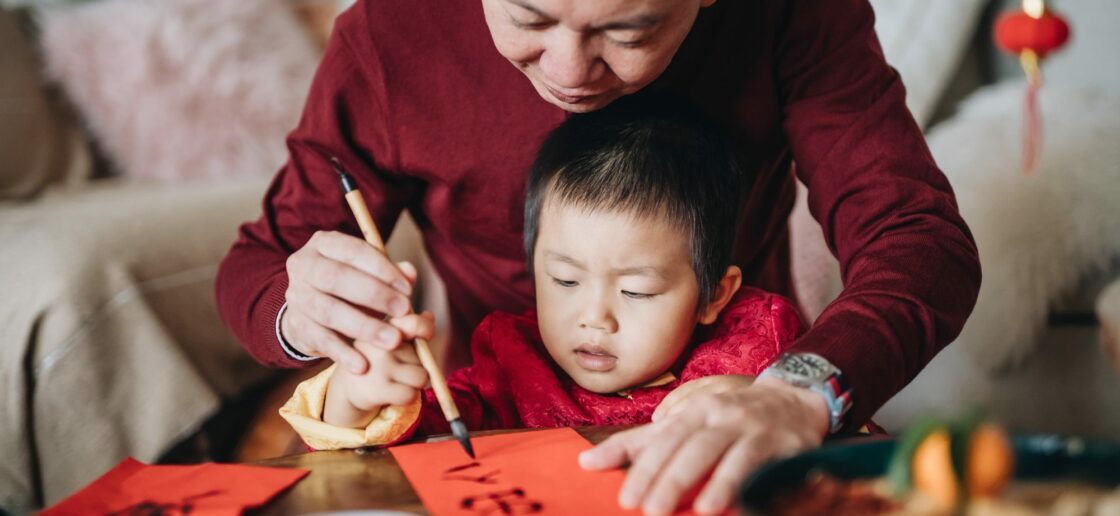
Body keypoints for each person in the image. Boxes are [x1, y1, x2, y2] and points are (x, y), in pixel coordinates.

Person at [216, 0, 981, 513]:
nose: (568, 72)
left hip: (746, 415)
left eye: (629, 30)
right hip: (498, 435)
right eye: (529, 15)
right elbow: (260, 264)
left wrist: (799, 393)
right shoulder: (393, 33)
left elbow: (916, 237)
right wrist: (305, 308)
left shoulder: (794, 13)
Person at [278, 96, 805, 450]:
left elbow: (854, 445)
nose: (594, 318)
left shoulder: (757, 348)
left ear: (714, 294)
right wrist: (357, 396)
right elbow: (416, 435)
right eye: (566, 281)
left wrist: (774, 402)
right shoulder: (508, 367)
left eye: (636, 290)